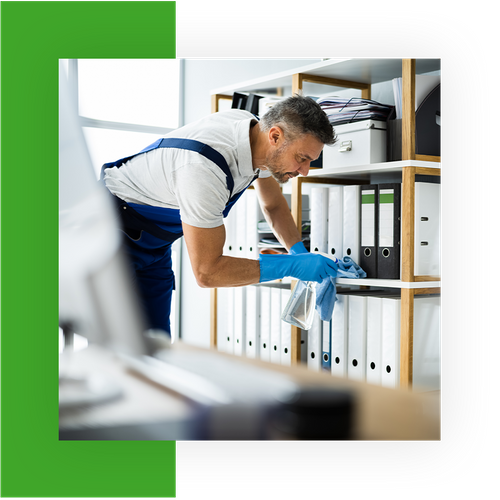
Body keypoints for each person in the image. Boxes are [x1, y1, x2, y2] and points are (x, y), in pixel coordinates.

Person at [101, 94, 338, 336]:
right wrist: (292, 266)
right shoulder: (204, 169)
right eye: (302, 159)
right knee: (113, 346)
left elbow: (273, 205)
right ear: (275, 136)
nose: (305, 171)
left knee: (155, 343)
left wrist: (298, 250)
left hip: (154, 242)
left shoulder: (256, 137)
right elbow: (207, 272)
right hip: (109, 233)